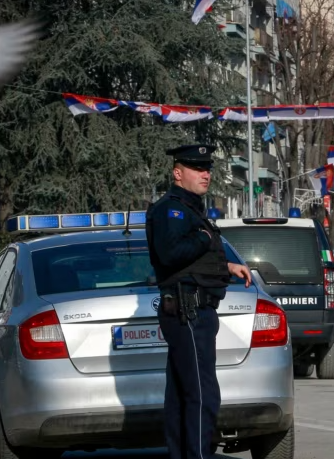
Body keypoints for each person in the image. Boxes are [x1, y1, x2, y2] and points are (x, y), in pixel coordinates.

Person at [145, 143, 252, 459]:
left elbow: (193, 262)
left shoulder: (190, 209)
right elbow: (170, 254)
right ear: (178, 173)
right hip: (188, 311)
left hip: (193, 310)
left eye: (207, 168)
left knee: (182, 394)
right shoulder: (172, 209)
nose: (205, 174)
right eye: (197, 168)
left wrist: (227, 266)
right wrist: (203, 237)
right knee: (202, 395)